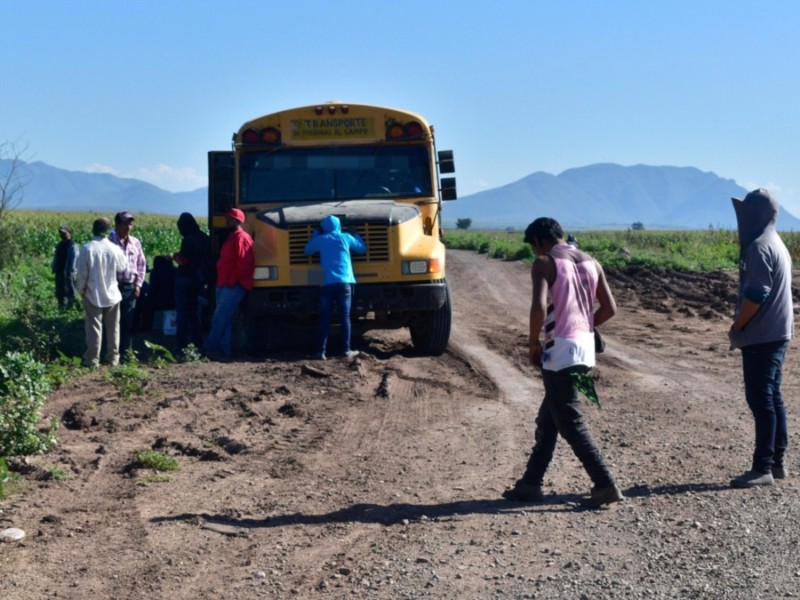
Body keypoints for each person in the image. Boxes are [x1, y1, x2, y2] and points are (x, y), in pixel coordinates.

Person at [503, 217, 622, 507]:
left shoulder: (545, 263)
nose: (534, 252)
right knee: (550, 418)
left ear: (539, 241)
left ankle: (605, 484)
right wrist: (583, 325)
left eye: (533, 247)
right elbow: (610, 308)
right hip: (585, 349)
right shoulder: (592, 262)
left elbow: (539, 306)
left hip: (559, 351)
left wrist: (533, 342)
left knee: (570, 422)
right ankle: (531, 483)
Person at [728, 188, 794, 488]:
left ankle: (763, 467)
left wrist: (738, 326)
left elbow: (756, 295)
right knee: (773, 396)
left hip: (762, 335)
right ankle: (777, 462)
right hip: (778, 333)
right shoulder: (777, 243)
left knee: (761, 399)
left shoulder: (758, 246)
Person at [303, 215, 366, 360]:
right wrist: (355, 233)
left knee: (325, 317)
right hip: (345, 282)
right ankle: (346, 351)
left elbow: (307, 251)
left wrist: (315, 234)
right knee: (345, 317)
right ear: (339, 225)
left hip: (326, 283)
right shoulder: (346, 237)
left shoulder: (321, 239)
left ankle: (320, 351)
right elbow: (362, 249)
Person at [75, 218, 128, 368]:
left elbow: (82, 275)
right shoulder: (114, 248)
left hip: (93, 294)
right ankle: (113, 359)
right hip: (113, 295)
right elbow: (122, 267)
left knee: (94, 329)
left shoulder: (87, 249)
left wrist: (81, 290)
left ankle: (92, 361)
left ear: (94, 229)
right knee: (113, 329)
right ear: (107, 231)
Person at [205, 208, 254, 359]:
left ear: (237, 221)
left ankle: (208, 349)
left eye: (230, 219)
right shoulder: (233, 237)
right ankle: (224, 352)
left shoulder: (241, 238)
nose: (227, 221)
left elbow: (244, 263)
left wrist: (232, 281)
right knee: (224, 320)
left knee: (219, 319)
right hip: (224, 284)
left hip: (231, 286)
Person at [109, 211, 146, 359]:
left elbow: (141, 264)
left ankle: (125, 352)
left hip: (129, 287)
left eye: (130, 224)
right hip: (113, 286)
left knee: (128, 320)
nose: (128, 227)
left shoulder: (135, 242)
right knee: (112, 321)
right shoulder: (109, 241)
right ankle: (111, 352)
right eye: (125, 223)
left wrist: (138, 285)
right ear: (117, 225)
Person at [173, 212, 211, 353]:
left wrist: (174, 256)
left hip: (185, 279)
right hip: (199, 279)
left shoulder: (188, 239)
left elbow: (185, 260)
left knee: (182, 313)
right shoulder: (204, 237)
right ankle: (197, 340)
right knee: (193, 313)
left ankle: (181, 343)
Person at [52, 225, 78, 309]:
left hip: (69, 272)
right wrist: (54, 268)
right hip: (59, 271)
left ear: (69, 233)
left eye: (64, 233)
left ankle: (71, 307)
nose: (62, 235)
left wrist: (70, 271)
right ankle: (61, 307)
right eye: (61, 233)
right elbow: (56, 257)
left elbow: (74, 259)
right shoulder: (60, 244)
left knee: (70, 291)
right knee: (60, 291)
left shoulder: (73, 245)